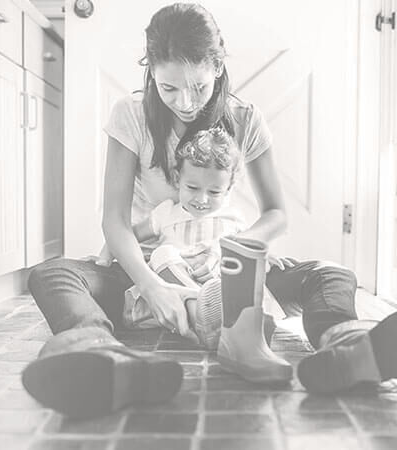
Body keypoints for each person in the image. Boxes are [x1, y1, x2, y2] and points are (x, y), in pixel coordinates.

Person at [22, 2, 397, 419]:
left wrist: (241, 252)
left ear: (217, 67)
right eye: (168, 89)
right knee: (52, 273)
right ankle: (100, 357)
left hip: (226, 265)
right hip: (151, 262)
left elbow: (277, 212)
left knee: (333, 275)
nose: (185, 102)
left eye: (198, 87)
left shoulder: (244, 117)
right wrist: (150, 285)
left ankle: (347, 347)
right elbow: (114, 220)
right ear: (151, 73)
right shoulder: (129, 115)